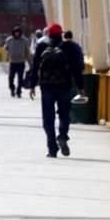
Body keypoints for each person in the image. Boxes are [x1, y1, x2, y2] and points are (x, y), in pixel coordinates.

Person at [26, 23, 85, 158]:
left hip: (46, 87)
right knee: (64, 114)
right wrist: (81, 87)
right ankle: (63, 136)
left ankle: (52, 148)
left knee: (48, 118)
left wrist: (32, 85)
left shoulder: (42, 46)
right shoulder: (69, 47)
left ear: (48, 34)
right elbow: (76, 68)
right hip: (64, 86)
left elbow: (35, 67)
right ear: (61, 34)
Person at [4, 26, 32, 98]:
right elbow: (5, 48)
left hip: (21, 62)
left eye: (18, 32)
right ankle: (12, 88)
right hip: (12, 62)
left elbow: (27, 52)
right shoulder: (9, 40)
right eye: (15, 32)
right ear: (13, 33)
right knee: (11, 78)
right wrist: (8, 53)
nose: (17, 34)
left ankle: (19, 91)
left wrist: (30, 63)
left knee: (20, 78)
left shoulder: (24, 40)